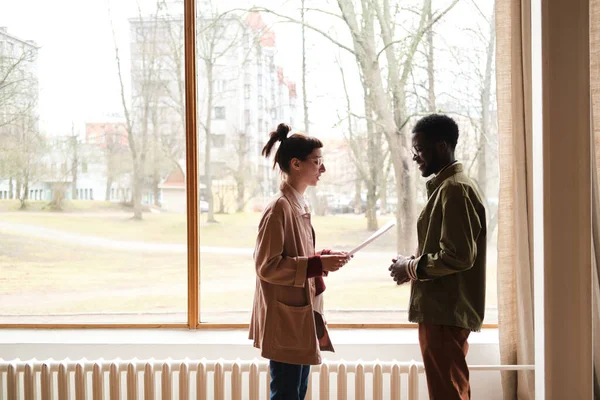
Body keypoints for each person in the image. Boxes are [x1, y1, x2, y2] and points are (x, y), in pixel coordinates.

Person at [249, 123, 350, 400]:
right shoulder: (279, 207)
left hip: (300, 316)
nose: (323, 169)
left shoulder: (299, 203)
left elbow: (298, 253)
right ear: (295, 164)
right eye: (317, 162)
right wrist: (316, 265)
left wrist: (322, 258)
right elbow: (267, 266)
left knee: (297, 392)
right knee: (286, 394)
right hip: (286, 320)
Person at [389, 114, 487, 400]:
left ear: (441, 146)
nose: (415, 156)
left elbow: (458, 256)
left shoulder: (455, 189)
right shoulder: (450, 187)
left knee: (448, 394)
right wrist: (409, 265)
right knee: (452, 390)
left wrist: (410, 268)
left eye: (419, 148)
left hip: (445, 311)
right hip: (444, 311)